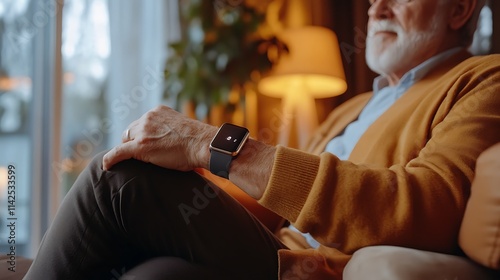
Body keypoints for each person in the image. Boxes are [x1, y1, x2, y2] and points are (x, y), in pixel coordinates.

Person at [24, 0, 500, 279]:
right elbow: (274, 207)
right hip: (267, 248)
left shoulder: (482, 79)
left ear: (460, 8)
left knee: (121, 180)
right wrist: (193, 189)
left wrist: (213, 144)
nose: (376, 6)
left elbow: (424, 208)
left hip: (305, 268)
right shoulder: (351, 109)